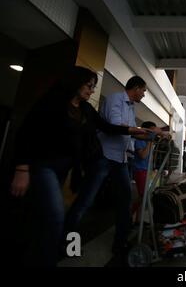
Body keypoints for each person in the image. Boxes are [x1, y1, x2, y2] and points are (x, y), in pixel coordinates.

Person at [9, 67, 149, 266]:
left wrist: (146, 133)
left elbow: (107, 127)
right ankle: (54, 254)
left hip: (72, 166)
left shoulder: (85, 109)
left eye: (93, 87)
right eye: (89, 86)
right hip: (45, 165)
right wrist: (22, 169)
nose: (92, 91)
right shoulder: (53, 103)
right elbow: (27, 132)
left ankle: (73, 246)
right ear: (75, 82)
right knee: (63, 212)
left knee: (47, 213)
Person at [65, 75, 162, 259]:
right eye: (143, 91)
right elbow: (116, 126)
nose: (143, 95)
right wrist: (149, 131)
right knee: (85, 200)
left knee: (125, 202)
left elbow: (133, 133)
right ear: (135, 87)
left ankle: (120, 243)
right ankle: (67, 243)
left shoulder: (132, 109)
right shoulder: (114, 99)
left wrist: (153, 136)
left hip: (121, 160)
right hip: (104, 156)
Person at [132, 121, 157, 225]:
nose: (154, 133)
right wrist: (150, 142)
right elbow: (142, 155)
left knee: (142, 197)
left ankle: (138, 220)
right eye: (152, 130)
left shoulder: (148, 141)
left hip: (147, 170)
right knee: (143, 196)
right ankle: (129, 215)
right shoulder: (139, 140)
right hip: (140, 170)